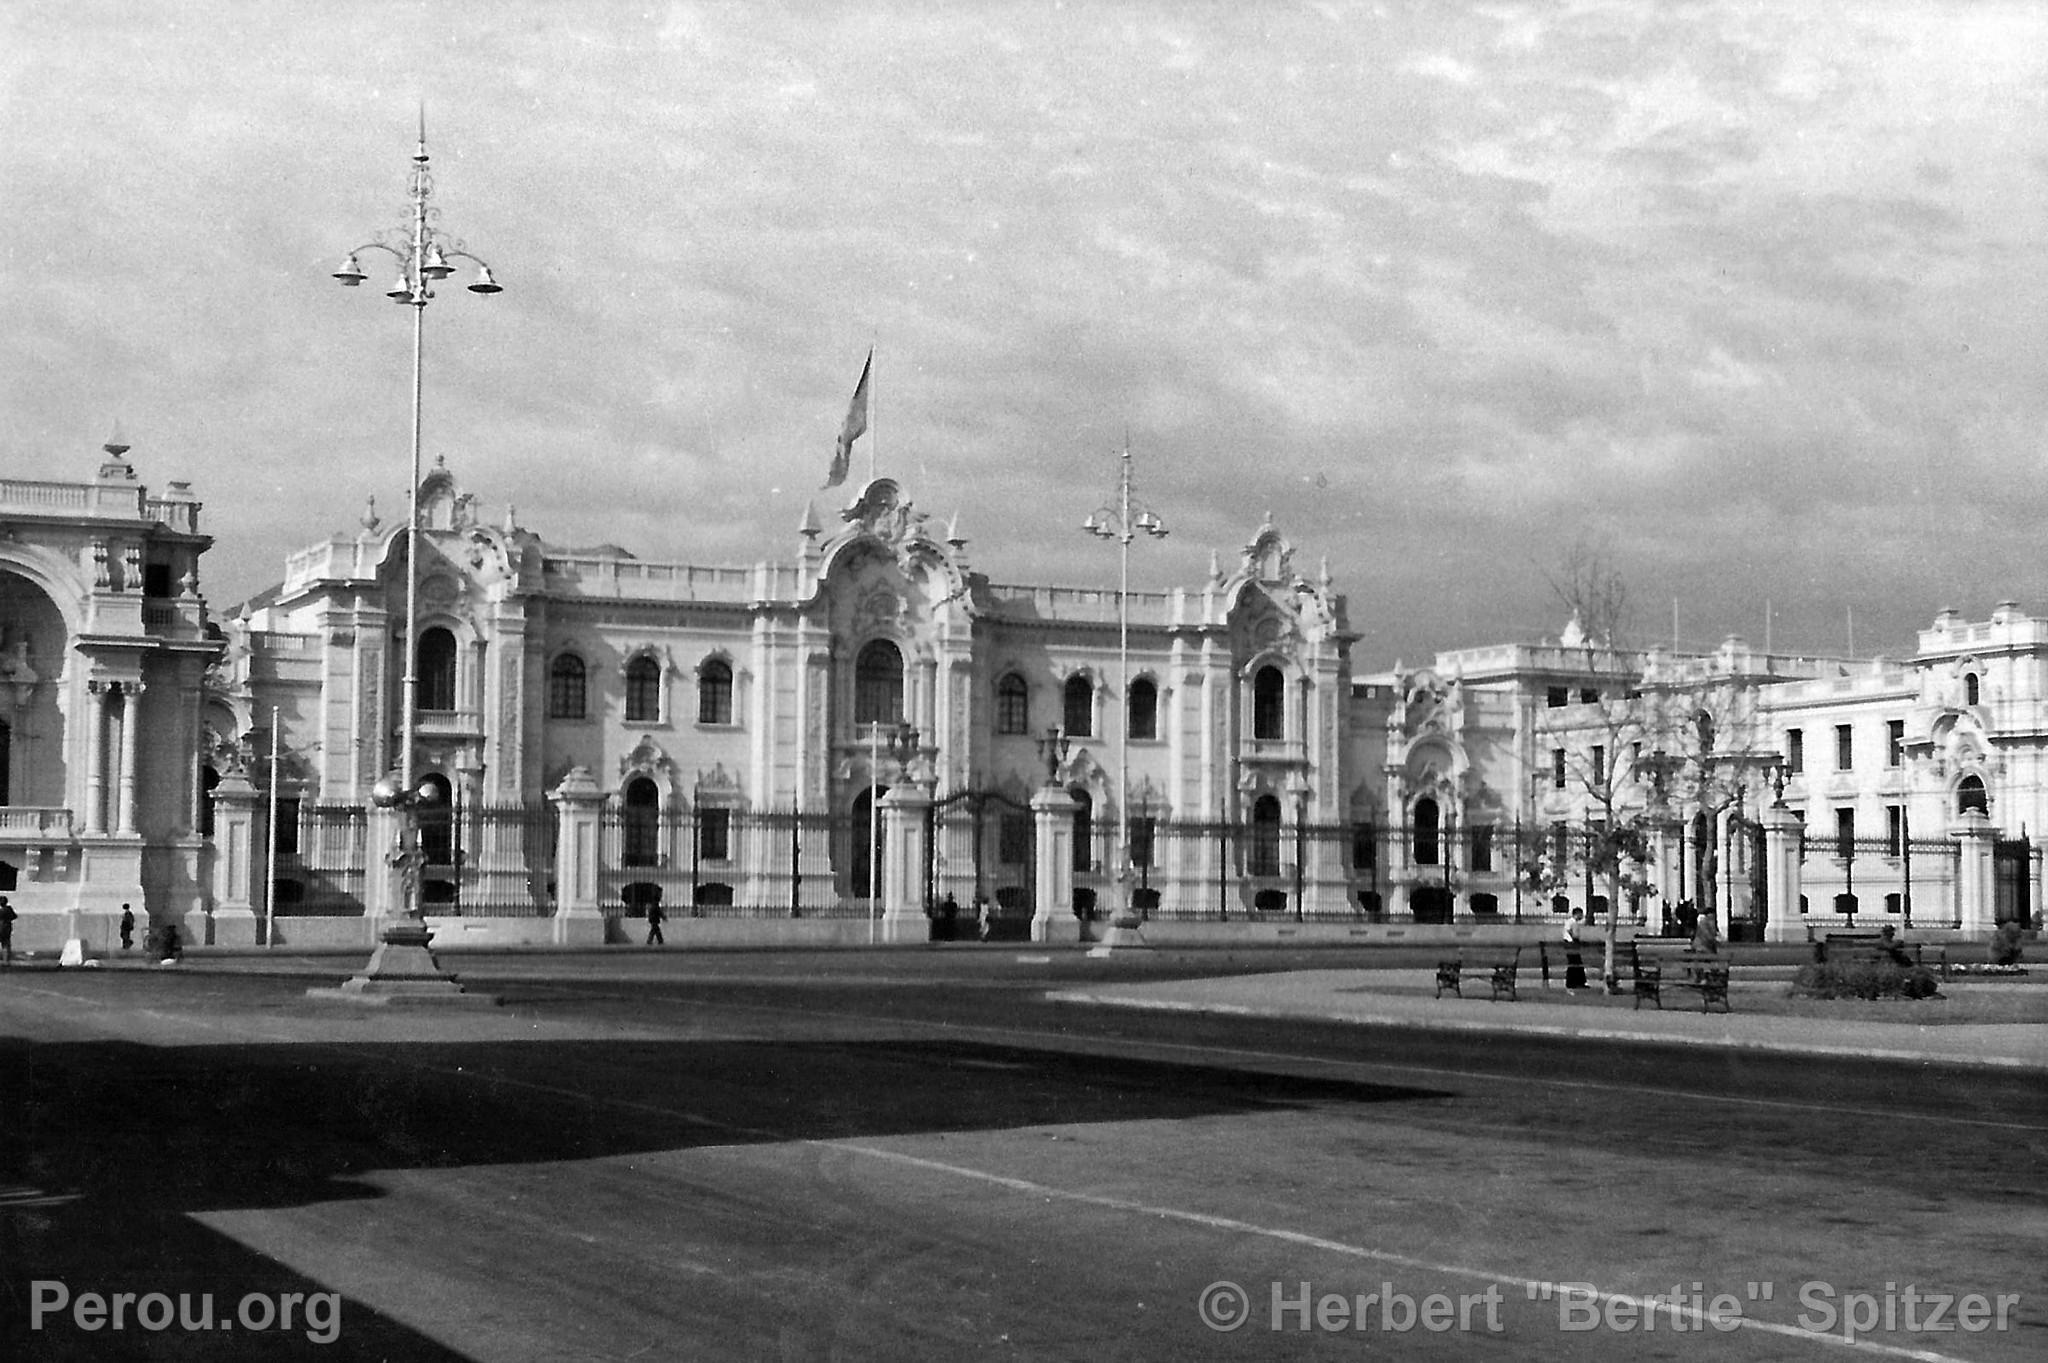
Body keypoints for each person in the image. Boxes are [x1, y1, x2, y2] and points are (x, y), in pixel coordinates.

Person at [1562, 907, 1587, 990]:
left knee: (1577, 963)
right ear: (1577, 914)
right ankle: (1572, 983)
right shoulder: (1571, 922)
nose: (1582, 916)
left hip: (1572, 943)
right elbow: (1568, 931)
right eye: (1581, 914)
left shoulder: (1573, 922)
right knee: (1574, 963)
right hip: (1571, 944)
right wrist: (1573, 939)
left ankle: (1578, 982)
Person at [0, 895, 15, 966]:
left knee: (5, 944)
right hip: (7, 928)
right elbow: (14, 916)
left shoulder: (1, 911)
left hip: (1, 928)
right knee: (6, 945)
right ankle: (6, 960)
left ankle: (5, 960)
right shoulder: (9, 909)